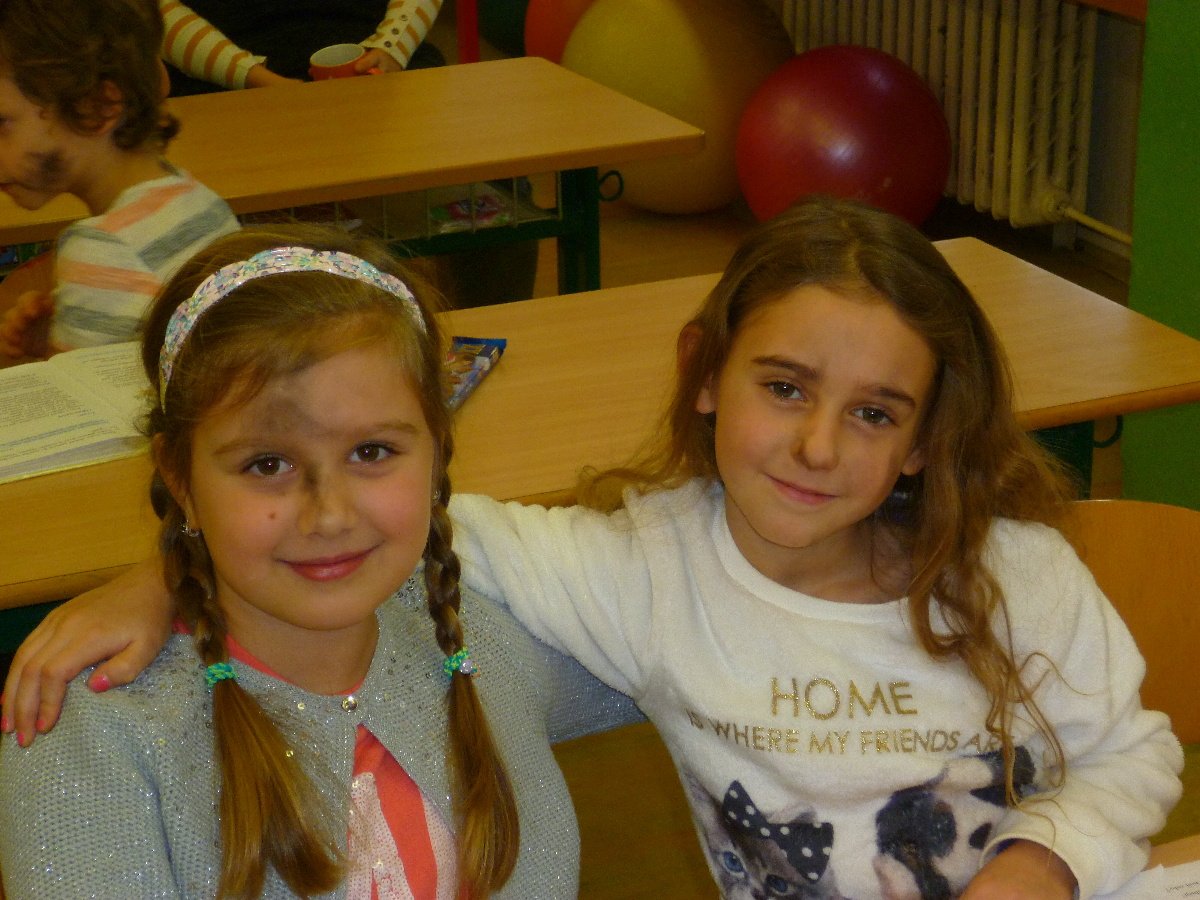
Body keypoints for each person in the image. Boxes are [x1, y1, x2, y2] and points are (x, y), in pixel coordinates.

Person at [3, 198, 1183, 898]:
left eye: (876, 413)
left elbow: (396, 532)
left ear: (925, 437)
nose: (820, 445)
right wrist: (166, 575)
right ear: (707, 374)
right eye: (784, 387)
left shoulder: (1011, 573)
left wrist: (1040, 866)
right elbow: (381, 533)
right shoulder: (636, 576)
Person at [0, 225, 636, 898]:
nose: (329, 515)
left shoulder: (482, 632)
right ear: (179, 478)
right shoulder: (95, 737)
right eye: (266, 464)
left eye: (371, 452)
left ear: (438, 450)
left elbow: (689, 612)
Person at [0, 0, 239, 361]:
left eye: (2, 123)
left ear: (98, 107)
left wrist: (36, 364)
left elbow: (77, 393)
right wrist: (51, 340)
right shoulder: (200, 200)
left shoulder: (101, 247)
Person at [160, 0, 445, 96]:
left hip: (369, 49)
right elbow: (152, 12)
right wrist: (256, 79)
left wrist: (391, 49)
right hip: (222, 74)